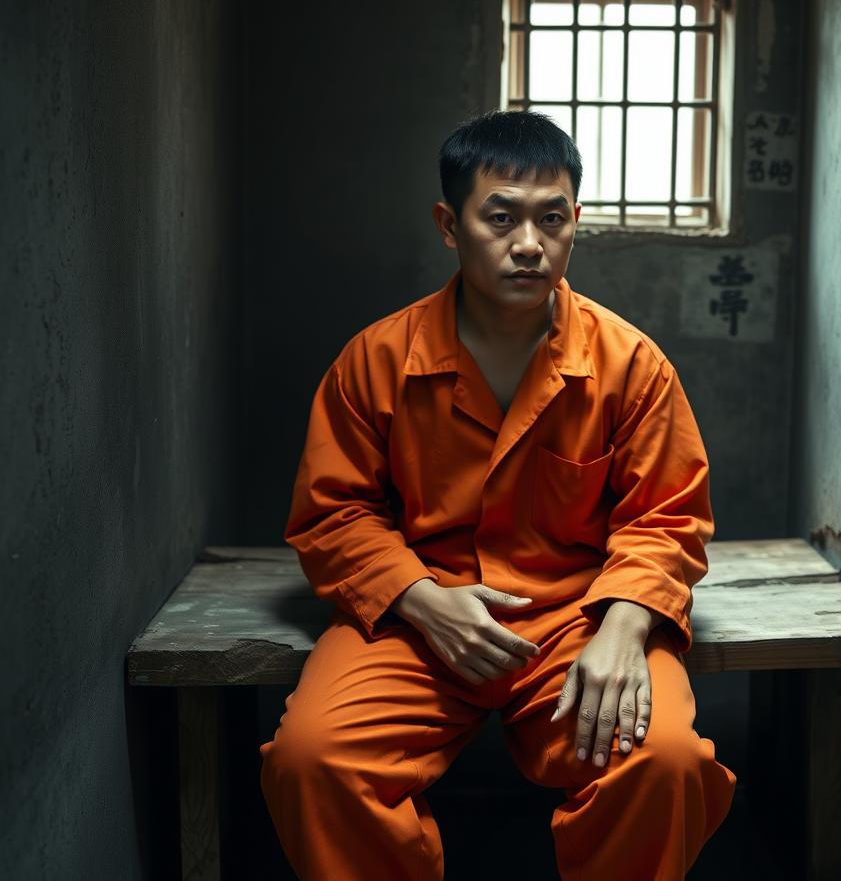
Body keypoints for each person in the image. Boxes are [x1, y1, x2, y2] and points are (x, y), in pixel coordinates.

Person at [259, 109, 737, 879]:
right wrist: (417, 596)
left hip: (576, 621)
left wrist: (622, 631)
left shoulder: (631, 366)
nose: (529, 244)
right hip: (422, 620)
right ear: (450, 225)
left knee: (665, 762)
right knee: (314, 762)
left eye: (551, 220)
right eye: (501, 218)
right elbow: (333, 513)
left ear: (576, 222)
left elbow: (667, 517)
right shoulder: (375, 361)